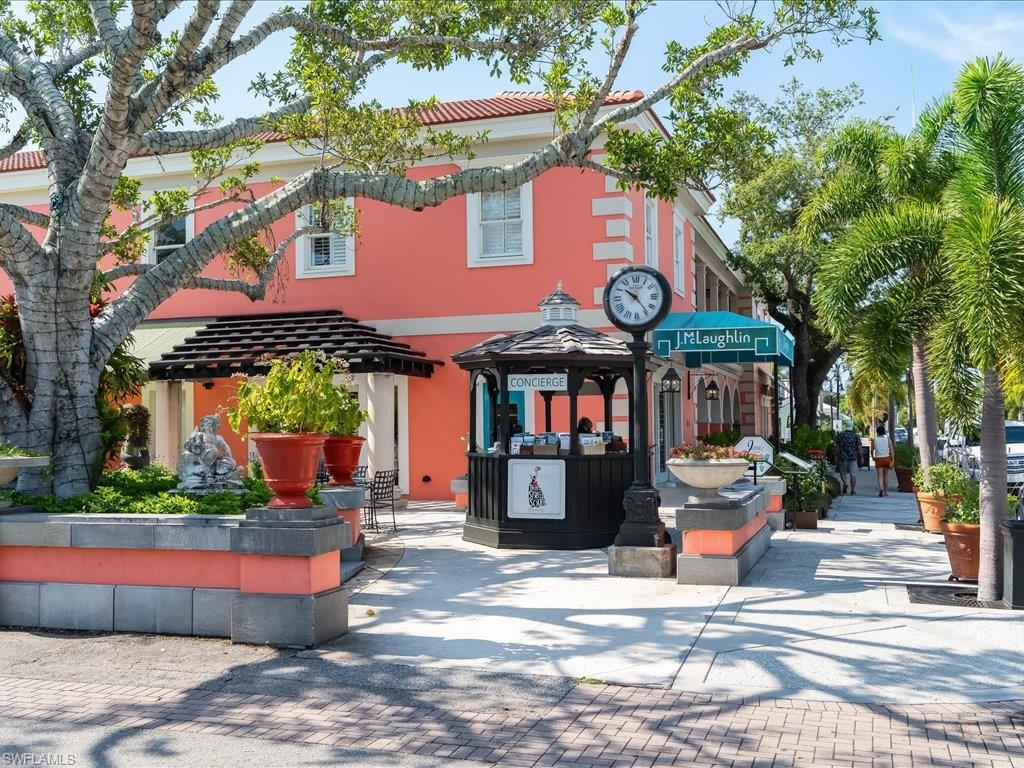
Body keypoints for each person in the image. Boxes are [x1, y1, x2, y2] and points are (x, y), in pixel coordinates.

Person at [836, 422, 860, 495]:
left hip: (843, 457)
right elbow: (859, 447)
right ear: (852, 426)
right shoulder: (855, 436)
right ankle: (853, 491)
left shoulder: (840, 435)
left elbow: (837, 447)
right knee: (853, 475)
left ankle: (845, 483)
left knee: (843, 472)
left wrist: (837, 456)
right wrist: (861, 457)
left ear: (845, 426)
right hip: (853, 457)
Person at [871, 424, 895, 497]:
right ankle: (886, 492)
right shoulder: (888, 439)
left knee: (880, 476)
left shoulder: (874, 440)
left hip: (878, 459)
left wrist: (873, 457)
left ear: (877, 432)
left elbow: (871, 450)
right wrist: (892, 459)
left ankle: (881, 489)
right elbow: (891, 451)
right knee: (886, 476)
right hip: (886, 458)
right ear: (884, 432)